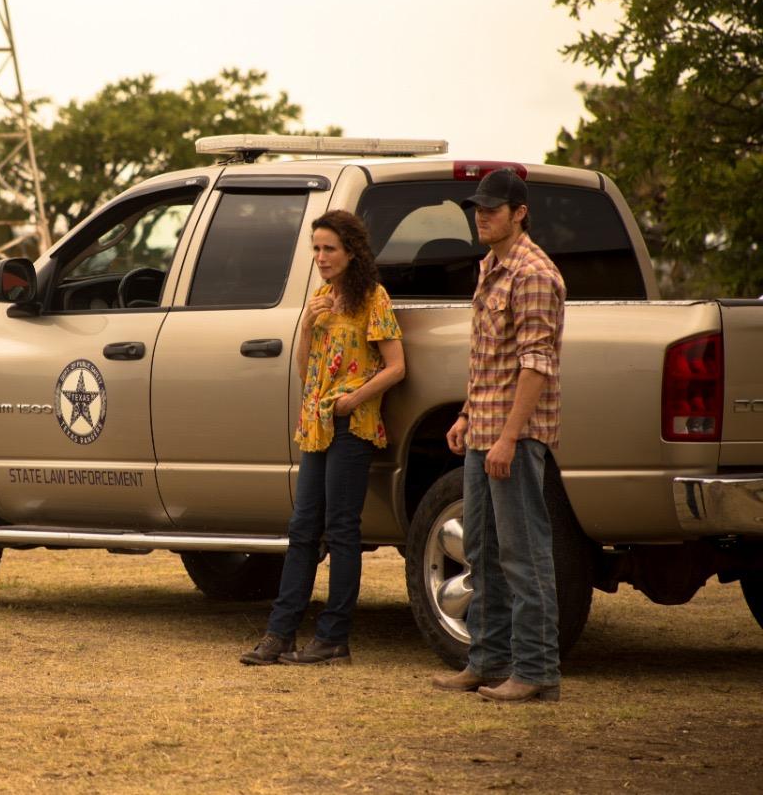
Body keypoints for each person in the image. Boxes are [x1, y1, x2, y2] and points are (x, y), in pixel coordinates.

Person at [241, 210, 406, 666]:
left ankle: (334, 637)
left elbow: (396, 367)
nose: (320, 257)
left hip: (351, 426)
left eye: (329, 248)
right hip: (315, 426)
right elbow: (304, 371)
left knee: (341, 531)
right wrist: (307, 325)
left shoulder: (373, 298)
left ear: (351, 252)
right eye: (315, 248)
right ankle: (280, 633)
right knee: (302, 530)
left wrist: (354, 400)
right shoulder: (319, 298)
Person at [431, 168, 566, 702]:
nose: (482, 216)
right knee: (482, 549)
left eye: (492, 209)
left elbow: (536, 366)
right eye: (478, 209)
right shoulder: (491, 267)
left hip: (514, 435)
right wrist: (467, 414)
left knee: (523, 553)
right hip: (483, 431)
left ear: (519, 213)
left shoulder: (533, 274)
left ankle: (536, 672)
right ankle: (487, 661)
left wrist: (509, 437)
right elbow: (491, 358)